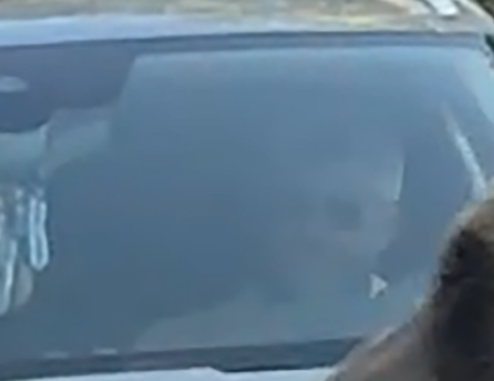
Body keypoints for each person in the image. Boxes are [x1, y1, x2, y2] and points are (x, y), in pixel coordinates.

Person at [137, 110, 413, 355]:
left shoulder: (425, 342)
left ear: (388, 227)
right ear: (268, 217)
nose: (311, 231)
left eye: (344, 213)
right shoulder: (182, 344)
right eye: (295, 207)